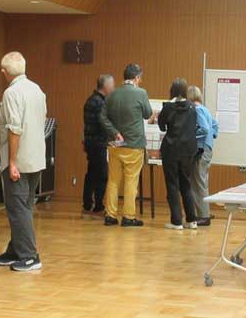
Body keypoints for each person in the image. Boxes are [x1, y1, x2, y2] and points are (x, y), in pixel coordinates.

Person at [0, 52, 47, 272]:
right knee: (25, 206)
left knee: (17, 208)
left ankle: (30, 255)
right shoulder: (37, 90)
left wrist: (12, 162)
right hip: (36, 158)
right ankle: (15, 250)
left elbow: (14, 129)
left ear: (4, 72)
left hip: (19, 161)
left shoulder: (12, 93)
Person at [99, 63, 152, 227]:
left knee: (113, 181)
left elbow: (102, 117)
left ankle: (110, 215)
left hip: (115, 145)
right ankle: (128, 217)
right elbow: (148, 113)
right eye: (140, 78)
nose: (140, 81)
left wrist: (114, 131)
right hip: (134, 144)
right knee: (131, 181)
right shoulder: (141, 93)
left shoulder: (112, 95)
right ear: (136, 77)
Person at [158, 79, 199, 230]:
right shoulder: (192, 107)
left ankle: (176, 221)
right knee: (186, 184)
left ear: (173, 90)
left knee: (172, 185)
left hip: (171, 149)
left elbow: (162, 126)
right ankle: (192, 220)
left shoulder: (168, 107)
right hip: (188, 150)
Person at [82, 74, 115, 218]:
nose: (113, 88)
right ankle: (99, 207)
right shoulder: (101, 103)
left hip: (90, 142)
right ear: (106, 86)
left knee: (91, 174)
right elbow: (103, 124)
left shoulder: (90, 100)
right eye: (112, 85)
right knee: (101, 175)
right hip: (99, 143)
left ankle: (87, 205)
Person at [186, 85, 218, 226]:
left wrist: (192, 136)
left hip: (201, 150)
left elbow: (204, 129)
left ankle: (203, 216)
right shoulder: (205, 109)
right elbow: (215, 126)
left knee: (198, 183)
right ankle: (204, 213)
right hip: (207, 148)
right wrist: (211, 137)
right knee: (201, 182)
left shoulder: (197, 110)